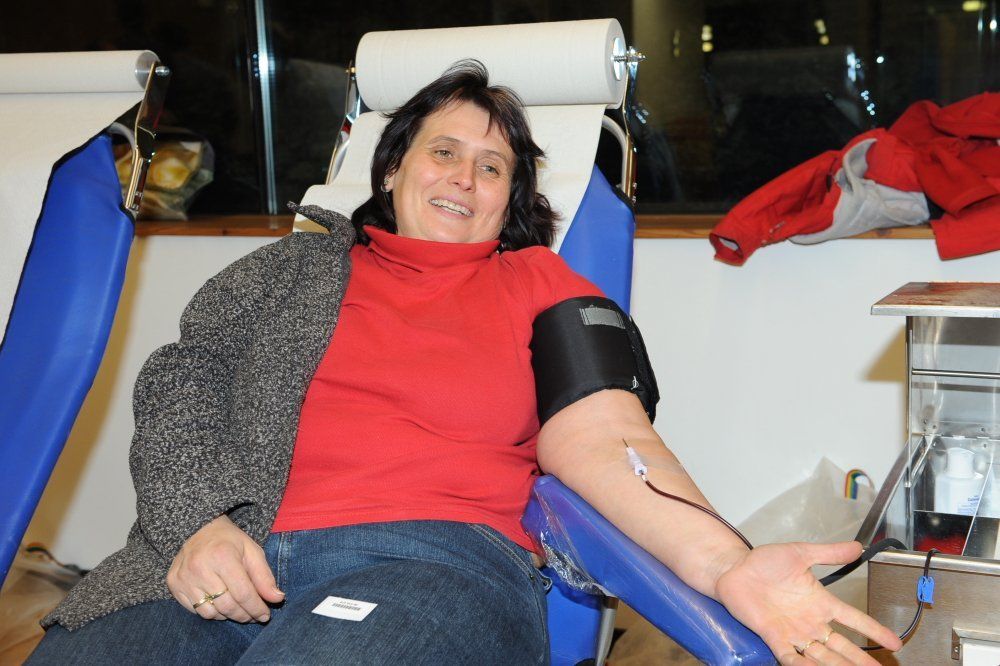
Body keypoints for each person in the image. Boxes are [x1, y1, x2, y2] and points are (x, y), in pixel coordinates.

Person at [29, 60, 901, 665]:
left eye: (494, 167)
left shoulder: (540, 282)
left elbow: (609, 437)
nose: (465, 177)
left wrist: (726, 562)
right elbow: (180, 387)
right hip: (218, 552)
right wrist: (196, 524)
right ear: (393, 168)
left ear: (510, 198)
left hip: (430, 567)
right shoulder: (285, 269)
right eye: (444, 151)